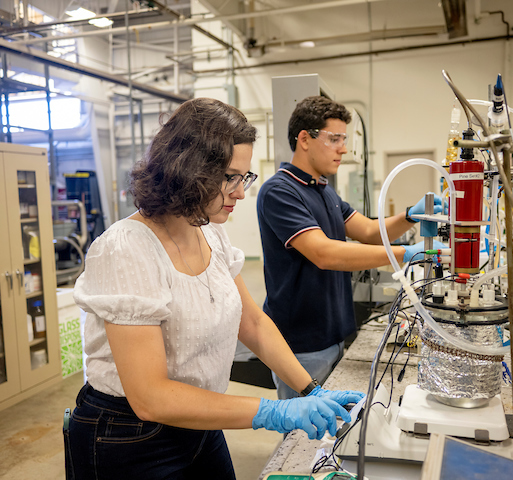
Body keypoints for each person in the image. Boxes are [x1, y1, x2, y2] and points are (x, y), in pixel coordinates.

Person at [65, 98, 364, 480]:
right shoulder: (125, 248)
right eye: (230, 177)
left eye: (245, 177)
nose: (241, 192)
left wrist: (311, 390)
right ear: (186, 170)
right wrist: (268, 411)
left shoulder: (209, 232)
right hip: (130, 438)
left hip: (202, 421)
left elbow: (253, 322)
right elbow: (151, 397)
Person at [257, 96, 445, 400]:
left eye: (343, 139)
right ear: (304, 139)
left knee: (328, 435)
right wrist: (404, 254)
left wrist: (411, 215)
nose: (343, 148)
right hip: (301, 345)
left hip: (334, 336)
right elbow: (325, 254)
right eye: (334, 139)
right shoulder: (280, 191)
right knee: (302, 441)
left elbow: (370, 231)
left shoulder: (324, 190)